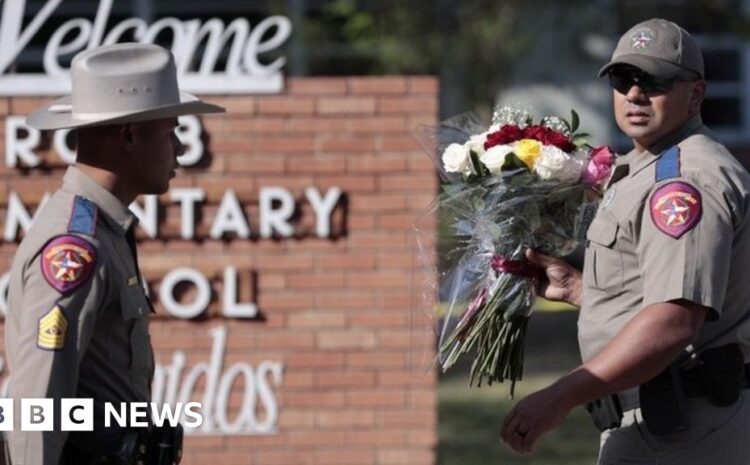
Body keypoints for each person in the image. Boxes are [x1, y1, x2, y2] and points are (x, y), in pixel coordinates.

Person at [500, 18, 750, 464]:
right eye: (623, 78)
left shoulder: (684, 181)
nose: (634, 93)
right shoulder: (644, 165)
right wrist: (582, 290)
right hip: (655, 423)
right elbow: (656, 287)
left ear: (696, 94)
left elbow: (673, 320)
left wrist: (560, 396)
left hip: (686, 432)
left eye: (654, 81)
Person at [5, 43, 224, 465]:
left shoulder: (103, 229)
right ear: (127, 135)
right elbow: (38, 404)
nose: (180, 148)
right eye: (170, 131)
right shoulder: (75, 246)